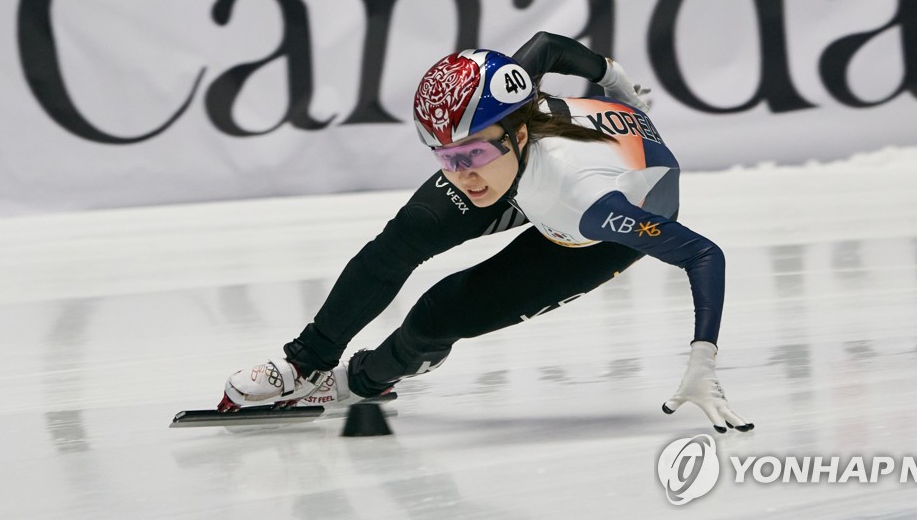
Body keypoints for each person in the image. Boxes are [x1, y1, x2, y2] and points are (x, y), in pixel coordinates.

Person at [219, 32, 752, 433]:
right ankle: (304, 364)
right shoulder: (498, 115)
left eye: (470, 154)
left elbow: (702, 253)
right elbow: (547, 47)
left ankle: (362, 381)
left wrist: (702, 357)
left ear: (519, 132)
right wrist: (612, 76)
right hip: (543, 163)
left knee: (439, 315)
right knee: (408, 235)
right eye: (445, 156)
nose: (460, 173)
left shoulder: (588, 202)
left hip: (596, 223)